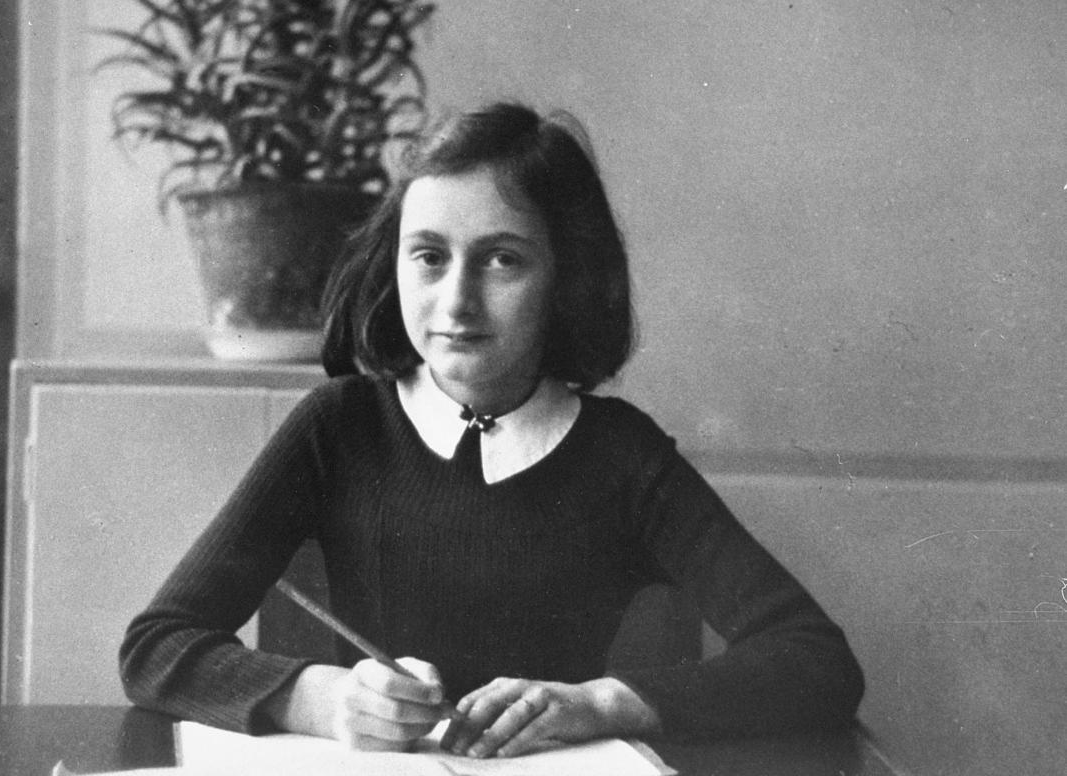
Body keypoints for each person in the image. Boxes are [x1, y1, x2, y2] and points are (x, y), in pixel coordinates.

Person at [120, 102, 865, 758]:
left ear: (568, 277)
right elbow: (156, 646)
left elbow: (816, 660)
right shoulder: (339, 425)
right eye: (429, 257)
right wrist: (320, 698)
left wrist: (600, 703)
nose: (456, 300)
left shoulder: (621, 455)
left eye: (502, 259)